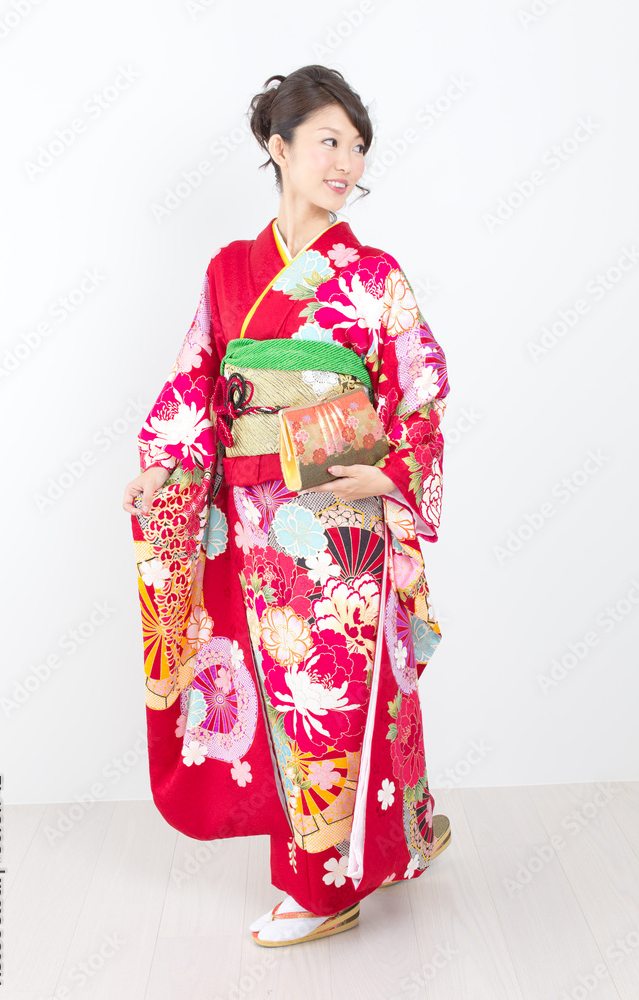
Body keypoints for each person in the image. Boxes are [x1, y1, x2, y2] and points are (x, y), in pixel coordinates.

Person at [123, 64, 451, 947]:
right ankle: (372, 849)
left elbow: (420, 392)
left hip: (341, 524)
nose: (346, 161)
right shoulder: (230, 270)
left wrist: (393, 473)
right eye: (327, 141)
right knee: (282, 699)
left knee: (333, 698)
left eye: (356, 147)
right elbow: (196, 379)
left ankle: (322, 887)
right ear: (279, 147)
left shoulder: (372, 276)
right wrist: (163, 463)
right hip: (256, 517)